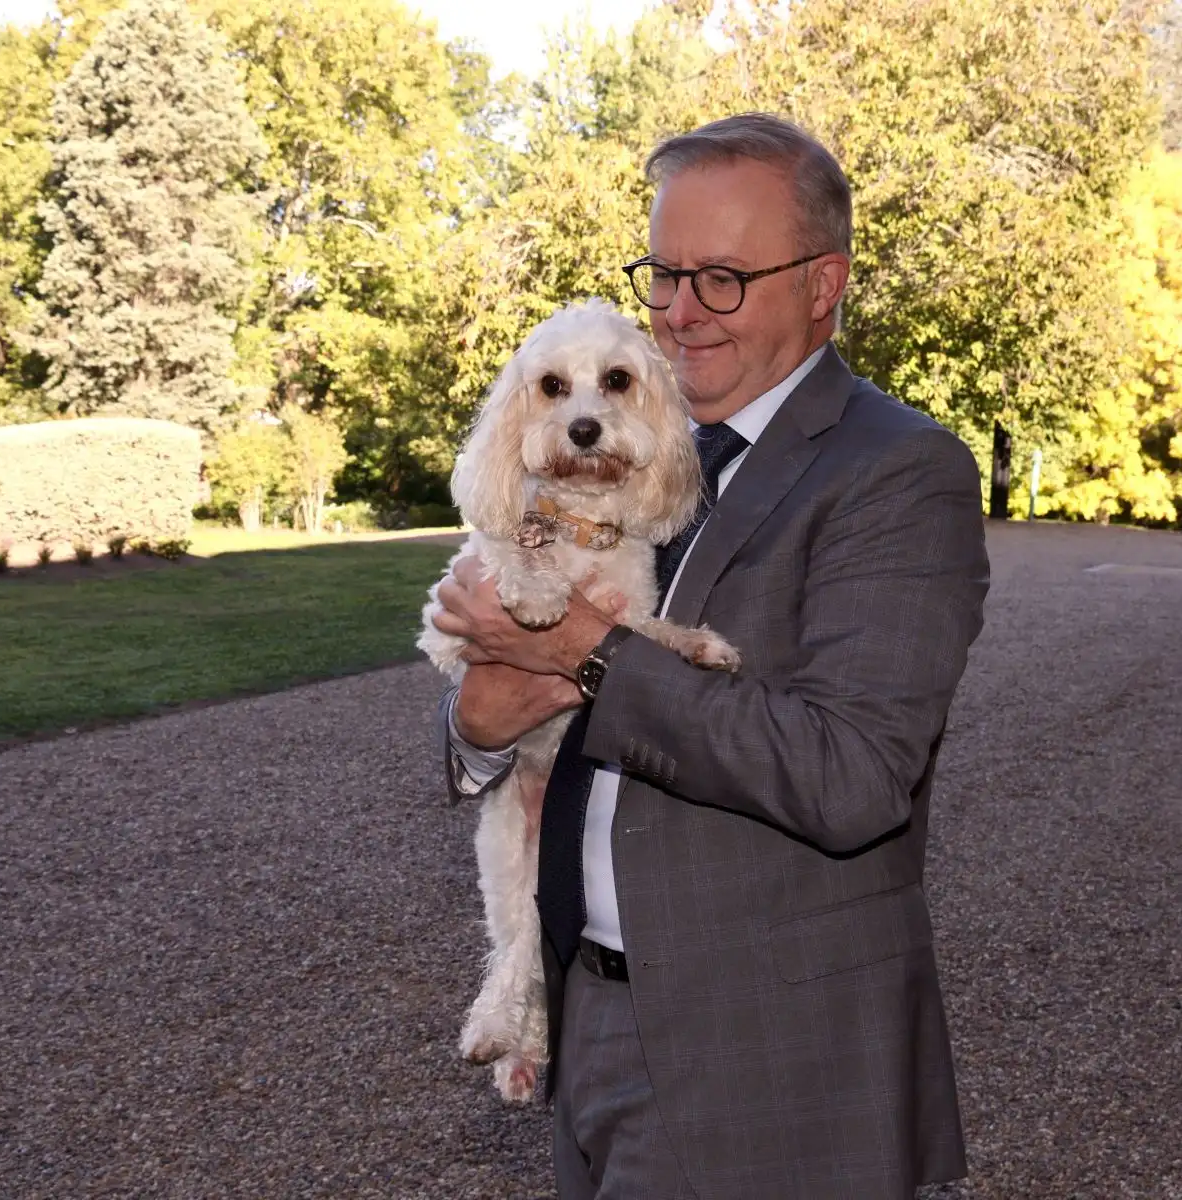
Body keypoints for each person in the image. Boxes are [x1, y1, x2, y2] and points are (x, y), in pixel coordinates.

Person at [430, 112, 990, 1200]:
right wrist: (476, 729)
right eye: (665, 274)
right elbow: (496, 688)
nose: (682, 313)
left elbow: (853, 775)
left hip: (762, 1067)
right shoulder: (634, 445)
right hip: (589, 1020)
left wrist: (588, 650)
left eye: (724, 279)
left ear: (823, 284)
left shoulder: (899, 471)